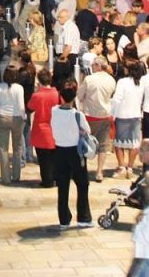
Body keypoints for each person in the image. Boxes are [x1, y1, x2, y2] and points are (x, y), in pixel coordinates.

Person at [50, 80, 92, 228]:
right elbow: (87, 131)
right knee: (82, 184)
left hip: (59, 151)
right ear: (74, 98)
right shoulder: (78, 115)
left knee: (62, 187)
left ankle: (64, 219)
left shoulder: (54, 111)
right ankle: (83, 217)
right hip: (75, 152)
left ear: (61, 97)